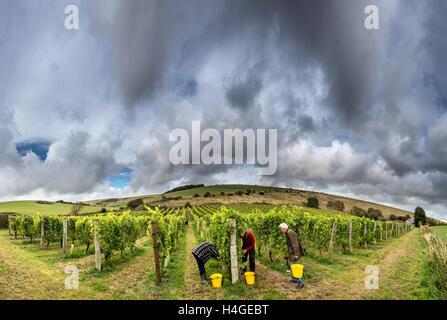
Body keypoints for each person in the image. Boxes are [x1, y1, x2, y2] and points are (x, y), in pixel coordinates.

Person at [279, 223, 305, 289]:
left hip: (294, 254)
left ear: (284, 228)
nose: (281, 231)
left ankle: (301, 283)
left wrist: (296, 254)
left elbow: (295, 244)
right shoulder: (288, 232)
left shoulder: (290, 232)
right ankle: (294, 279)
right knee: (292, 266)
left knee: (295, 268)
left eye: (281, 229)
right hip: (292, 253)